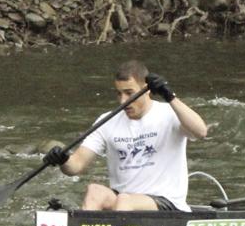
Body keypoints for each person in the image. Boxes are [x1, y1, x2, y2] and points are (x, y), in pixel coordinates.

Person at [42, 60, 208, 211]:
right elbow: (76, 166)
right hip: (124, 200)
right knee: (94, 192)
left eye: (129, 93)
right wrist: (63, 160)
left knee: (124, 201)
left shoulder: (169, 114)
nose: (123, 101)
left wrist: (169, 96)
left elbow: (201, 131)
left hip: (166, 204)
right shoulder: (107, 121)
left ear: (146, 90)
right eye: (119, 93)